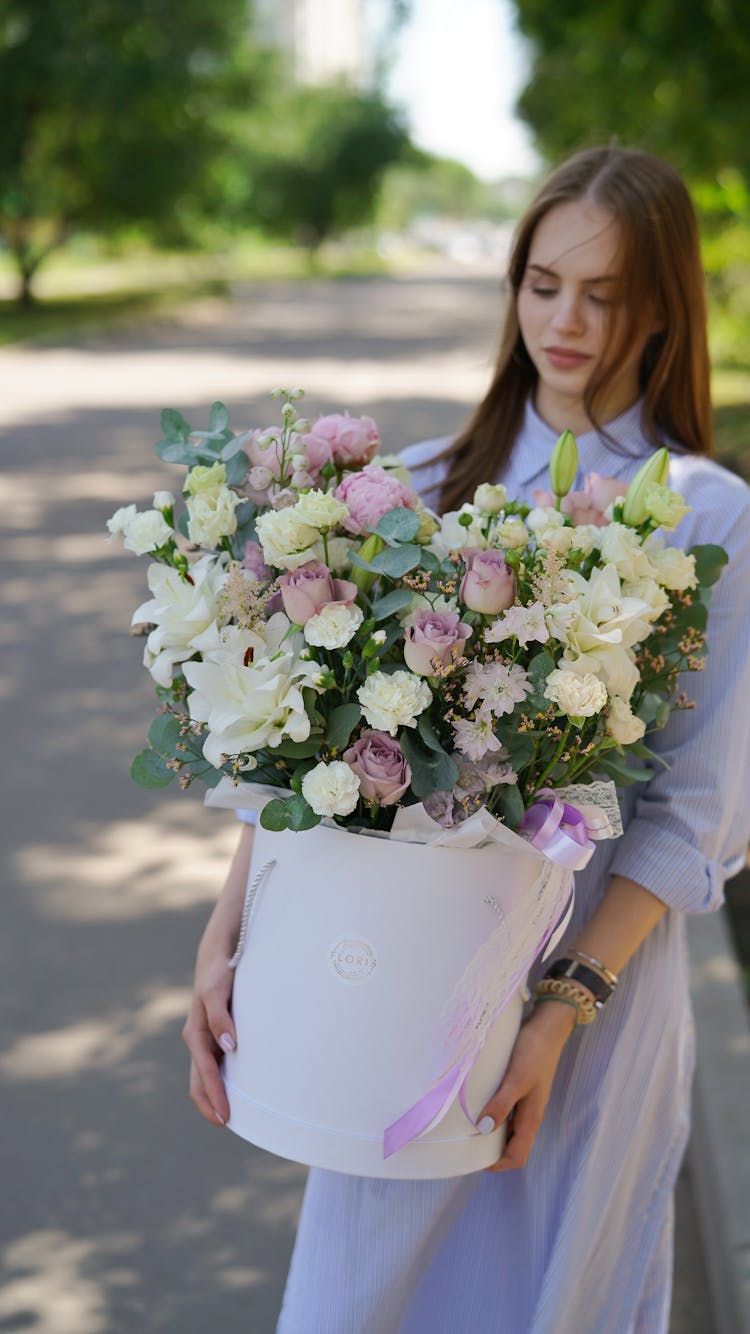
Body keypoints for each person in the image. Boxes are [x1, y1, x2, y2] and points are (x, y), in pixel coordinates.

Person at [182, 145, 750, 1333]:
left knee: (553, 1302)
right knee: (355, 1301)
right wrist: (230, 930)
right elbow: (310, 759)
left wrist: (556, 1010)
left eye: (608, 292)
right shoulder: (421, 493)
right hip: (401, 978)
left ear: (664, 307)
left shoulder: (706, 514)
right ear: (513, 284)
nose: (570, 318)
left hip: (593, 997)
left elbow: (690, 809)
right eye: (545, 282)